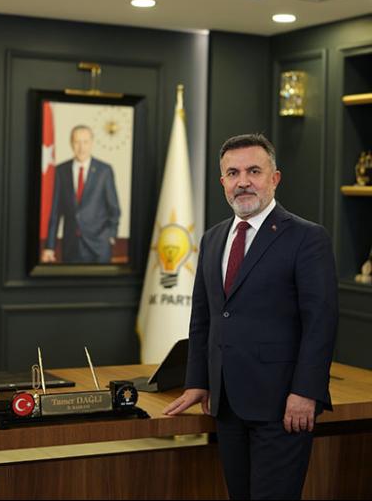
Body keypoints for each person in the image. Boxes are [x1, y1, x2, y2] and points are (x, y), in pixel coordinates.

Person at [163, 133, 338, 500]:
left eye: (254, 171)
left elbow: (320, 323)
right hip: (227, 405)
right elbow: (204, 318)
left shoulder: (307, 238)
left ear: (275, 178)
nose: (243, 181)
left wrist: (306, 392)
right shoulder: (212, 239)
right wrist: (199, 381)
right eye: (233, 173)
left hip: (282, 405)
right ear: (222, 181)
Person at [41, 125, 120, 264]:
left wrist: (110, 235)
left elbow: (114, 208)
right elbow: (55, 212)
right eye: (77, 142)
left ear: (92, 143)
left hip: (99, 246)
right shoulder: (61, 171)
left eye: (85, 142)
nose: (81, 147)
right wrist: (50, 247)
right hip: (71, 246)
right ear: (71, 143)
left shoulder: (104, 171)